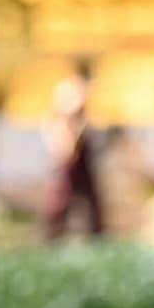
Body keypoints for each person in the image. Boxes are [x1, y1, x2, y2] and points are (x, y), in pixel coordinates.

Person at [43, 61, 106, 240]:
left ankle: (96, 233)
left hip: (80, 150)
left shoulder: (76, 91)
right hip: (69, 152)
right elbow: (62, 118)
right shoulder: (72, 90)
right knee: (62, 195)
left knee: (88, 195)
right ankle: (54, 234)